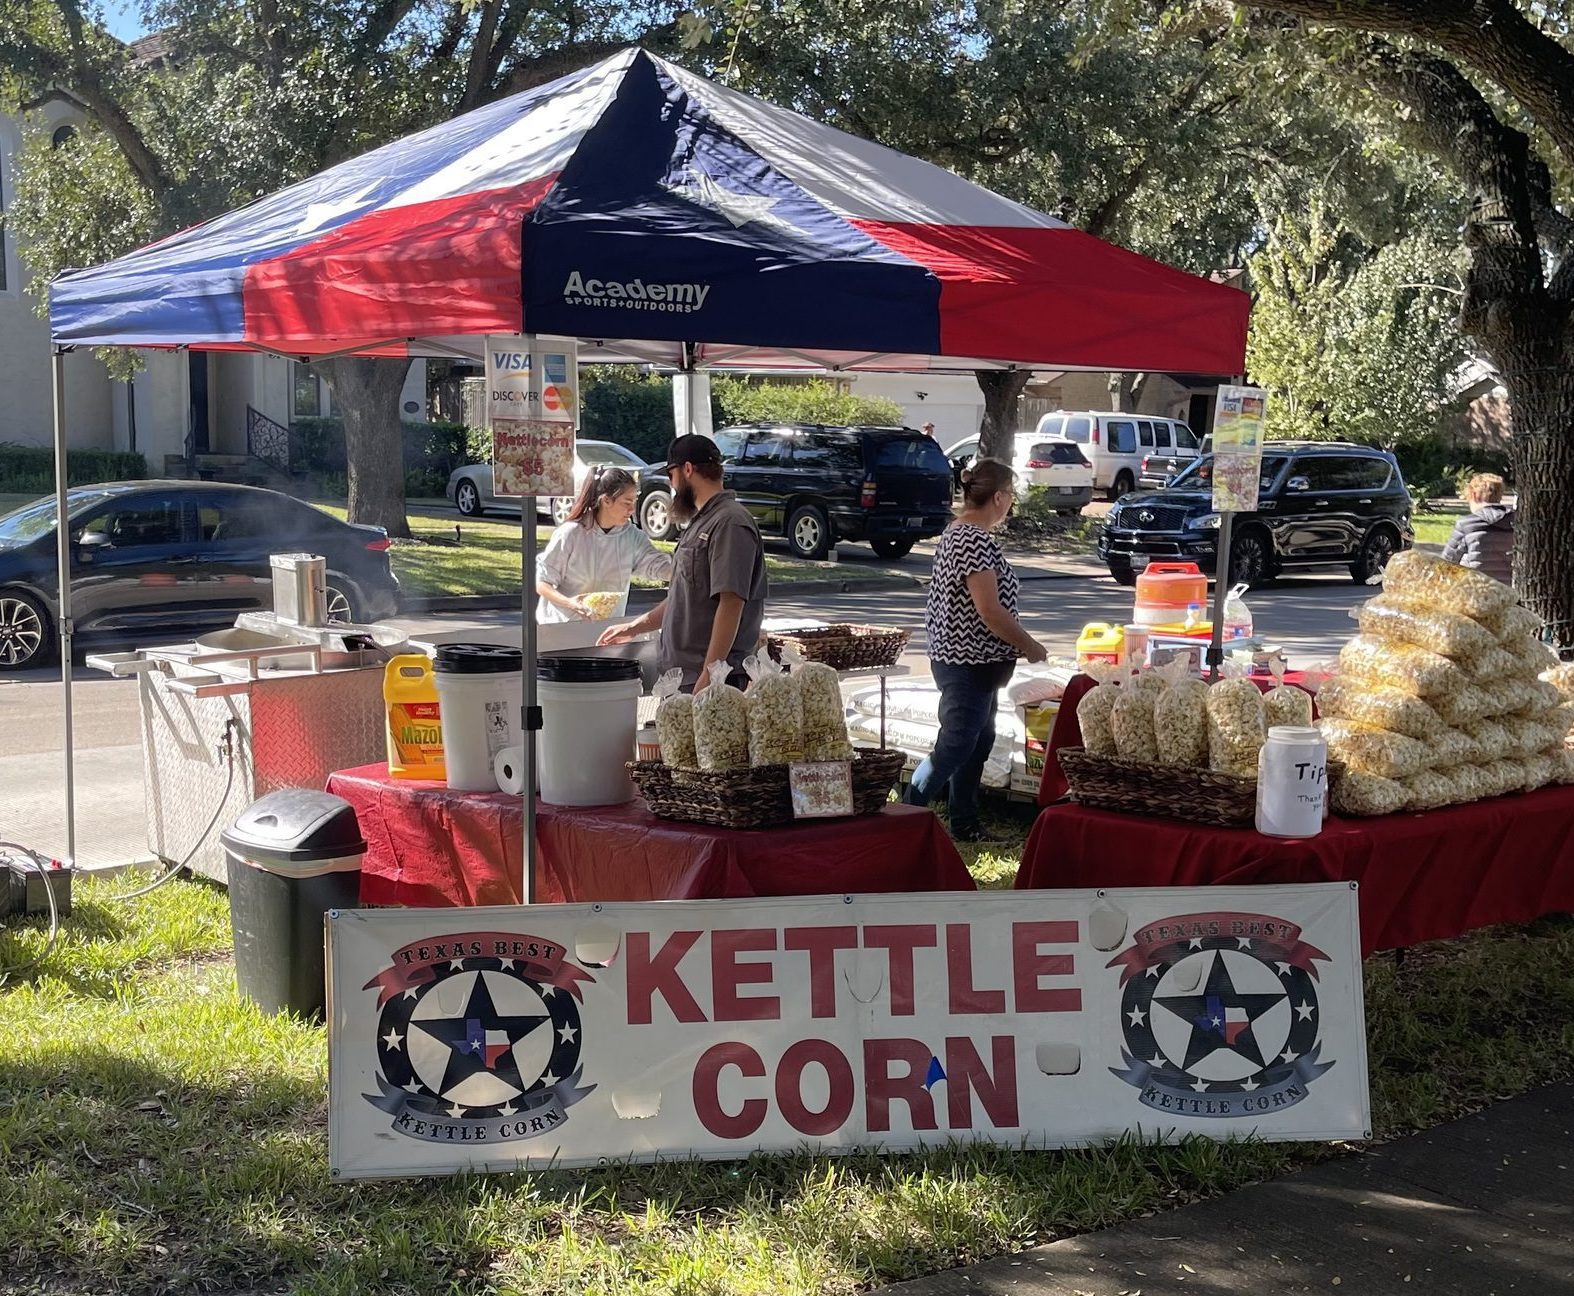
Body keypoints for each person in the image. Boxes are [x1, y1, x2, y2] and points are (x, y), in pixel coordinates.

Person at [904, 458, 1047, 841]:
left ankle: (964, 823)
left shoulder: (960, 532)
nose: (1011, 503)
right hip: (967, 662)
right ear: (999, 497)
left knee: (977, 741)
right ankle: (902, 815)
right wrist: (1028, 644)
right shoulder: (973, 539)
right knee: (956, 743)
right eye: (1011, 495)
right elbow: (989, 609)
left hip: (975, 663)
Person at [598, 434, 767, 689]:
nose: (671, 484)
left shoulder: (730, 522)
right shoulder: (703, 521)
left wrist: (710, 676)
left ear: (687, 469)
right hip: (682, 677)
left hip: (714, 681)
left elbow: (731, 603)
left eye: (670, 473)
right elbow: (684, 594)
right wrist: (635, 627)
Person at [535, 467, 673, 623]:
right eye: (627, 503)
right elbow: (543, 583)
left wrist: (677, 573)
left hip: (606, 628)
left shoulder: (632, 536)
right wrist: (571, 604)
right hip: (561, 627)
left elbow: (654, 565)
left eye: (634, 502)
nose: (632, 509)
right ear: (606, 500)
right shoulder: (571, 534)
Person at [1442, 472, 1515, 585]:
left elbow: (1446, 562)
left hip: (1476, 589)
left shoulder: (1466, 524)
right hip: (1509, 589)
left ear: (1474, 495)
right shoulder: (1515, 522)